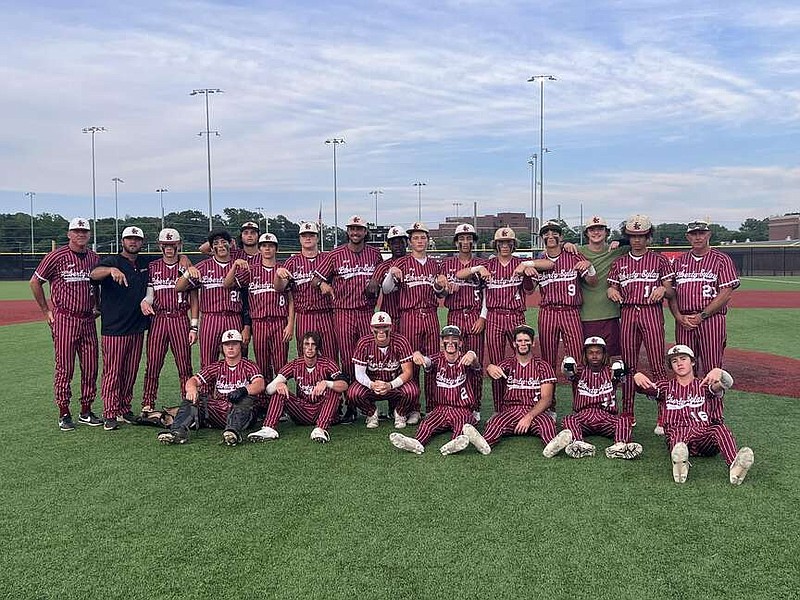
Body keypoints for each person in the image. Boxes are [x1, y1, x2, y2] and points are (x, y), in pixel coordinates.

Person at [633, 345, 754, 485]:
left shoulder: (704, 385)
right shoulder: (665, 387)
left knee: (720, 429)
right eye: (674, 361)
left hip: (704, 436)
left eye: (683, 359)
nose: (679, 363)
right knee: (677, 438)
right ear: (671, 366)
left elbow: (727, 383)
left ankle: (735, 466)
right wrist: (637, 376)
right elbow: (642, 388)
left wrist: (719, 371)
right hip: (679, 435)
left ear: (693, 362)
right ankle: (680, 466)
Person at [30, 217, 101, 431]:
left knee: (91, 366)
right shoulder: (56, 256)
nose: (81, 235)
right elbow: (35, 281)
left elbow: (96, 285)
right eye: (76, 231)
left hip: (88, 319)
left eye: (84, 231)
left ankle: (86, 410)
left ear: (89, 235)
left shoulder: (94, 258)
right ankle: (64, 412)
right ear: (69, 234)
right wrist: (46, 311)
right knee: (65, 368)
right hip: (65, 318)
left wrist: (97, 305)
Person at [455, 227, 536, 412]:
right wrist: (478, 267)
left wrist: (528, 269)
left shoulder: (520, 263)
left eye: (509, 243)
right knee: (497, 364)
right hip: (494, 317)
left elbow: (530, 290)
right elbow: (459, 275)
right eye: (501, 243)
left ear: (514, 245)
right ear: (496, 245)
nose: (505, 246)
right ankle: (500, 409)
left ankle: (525, 404)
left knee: (522, 360)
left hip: (516, 316)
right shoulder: (488, 265)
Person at [607, 214, 674, 432]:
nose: (637, 240)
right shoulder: (620, 262)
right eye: (633, 236)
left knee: (657, 364)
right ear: (628, 237)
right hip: (627, 312)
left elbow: (671, 290)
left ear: (648, 237)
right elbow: (612, 287)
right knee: (628, 365)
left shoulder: (660, 260)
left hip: (651, 313)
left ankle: (664, 414)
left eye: (642, 236)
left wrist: (664, 289)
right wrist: (611, 290)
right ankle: (628, 412)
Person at [312, 215, 382, 415]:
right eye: (352, 229)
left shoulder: (375, 254)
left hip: (366, 312)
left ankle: (370, 401)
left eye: (359, 229)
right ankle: (351, 404)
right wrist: (323, 283)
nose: (355, 232)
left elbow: (382, 274)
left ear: (365, 232)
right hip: (343, 312)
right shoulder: (336, 254)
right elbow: (314, 279)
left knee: (371, 357)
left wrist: (376, 282)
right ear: (348, 231)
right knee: (349, 359)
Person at [462, 325, 568, 457]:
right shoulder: (507, 364)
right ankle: (484, 444)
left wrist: (529, 417)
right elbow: (492, 370)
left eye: (526, 340)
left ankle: (552, 447)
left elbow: (546, 399)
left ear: (533, 342)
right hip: (511, 411)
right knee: (495, 423)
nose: (523, 344)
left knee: (547, 425)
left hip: (534, 411)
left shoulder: (543, 366)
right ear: (514, 343)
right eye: (519, 341)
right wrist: (490, 367)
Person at [157, 329, 265, 446]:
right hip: (219, 410)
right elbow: (193, 380)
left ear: (241, 346)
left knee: (246, 399)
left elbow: (260, 384)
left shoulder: (249, 366)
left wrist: (244, 390)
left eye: (234, 344)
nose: (230, 347)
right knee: (193, 398)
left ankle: (233, 432)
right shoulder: (217, 366)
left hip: (243, 413)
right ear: (222, 347)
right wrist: (192, 389)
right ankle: (177, 433)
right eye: (227, 344)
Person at [90, 226, 150, 430]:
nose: (133, 242)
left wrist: (185, 259)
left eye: (137, 239)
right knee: (113, 371)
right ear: (122, 241)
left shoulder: (144, 262)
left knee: (131, 371)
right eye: (129, 239)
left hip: (136, 326)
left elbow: (173, 260)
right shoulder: (112, 261)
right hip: (115, 327)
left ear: (142, 242)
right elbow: (94, 274)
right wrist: (110, 270)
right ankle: (110, 412)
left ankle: (124, 408)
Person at [390, 325, 483, 455]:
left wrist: (472, 354)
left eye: (454, 339)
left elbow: (477, 366)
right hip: (441, 408)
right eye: (446, 339)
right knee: (427, 424)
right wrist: (417, 354)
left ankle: (455, 443)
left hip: (462, 409)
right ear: (441, 342)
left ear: (461, 342)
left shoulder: (466, 358)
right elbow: (427, 362)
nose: (450, 342)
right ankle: (416, 442)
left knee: (462, 424)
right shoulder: (437, 359)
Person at [382, 222, 444, 418]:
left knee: (433, 361)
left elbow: (440, 294)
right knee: (411, 363)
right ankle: (414, 408)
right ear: (410, 241)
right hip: (409, 315)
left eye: (422, 237)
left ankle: (435, 407)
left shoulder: (435, 265)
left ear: (427, 240)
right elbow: (386, 289)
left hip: (431, 314)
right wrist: (391, 273)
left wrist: (441, 286)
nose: (419, 241)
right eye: (415, 238)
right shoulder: (400, 263)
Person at [668, 219, 740, 378]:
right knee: (684, 367)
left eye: (701, 233)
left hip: (711, 320)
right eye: (693, 234)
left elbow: (726, 293)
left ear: (709, 234)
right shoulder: (679, 261)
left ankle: (714, 403)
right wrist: (678, 316)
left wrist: (702, 316)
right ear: (688, 237)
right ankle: (689, 402)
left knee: (712, 367)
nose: (698, 237)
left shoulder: (721, 259)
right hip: (684, 321)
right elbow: (671, 293)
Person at [248, 331, 349, 444]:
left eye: (313, 344)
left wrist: (327, 383)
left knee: (333, 390)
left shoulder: (327, 363)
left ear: (318, 347)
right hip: (302, 411)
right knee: (279, 390)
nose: (309, 348)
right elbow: (268, 389)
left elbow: (344, 385)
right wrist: (279, 384)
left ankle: (320, 429)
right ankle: (269, 429)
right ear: (302, 346)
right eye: (306, 344)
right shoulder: (295, 364)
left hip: (323, 409)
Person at [551, 336, 641, 459]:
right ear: (585, 355)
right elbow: (568, 372)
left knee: (624, 420)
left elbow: (625, 376)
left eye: (598, 353)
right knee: (569, 419)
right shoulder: (579, 371)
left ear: (604, 354)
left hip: (606, 416)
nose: (594, 356)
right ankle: (579, 443)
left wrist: (622, 369)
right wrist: (567, 365)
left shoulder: (611, 371)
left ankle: (619, 446)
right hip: (584, 416)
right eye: (590, 353)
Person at [139, 228, 198, 413]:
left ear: (179, 245)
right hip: (159, 319)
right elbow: (150, 294)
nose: (169, 248)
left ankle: (187, 403)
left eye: (173, 245)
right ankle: (148, 403)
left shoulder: (187, 267)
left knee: (184, 364)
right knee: (154, 363)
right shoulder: (153, 266)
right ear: (160, 246)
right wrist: (145, 301)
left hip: (179, 318)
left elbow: (194, 298)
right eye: (166, 245)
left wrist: (194, 326)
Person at [176, 228, 250, 368]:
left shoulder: (239, 265)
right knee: (208, 362)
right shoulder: (203, 267)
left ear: (230, 244)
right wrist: (187, 273)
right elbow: (178, 288)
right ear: (211, 247)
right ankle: (206, 390)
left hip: (233, 316)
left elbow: (230, 286)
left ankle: (235, 389)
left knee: (238, 362)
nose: (221, 246)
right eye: (216, 243)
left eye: (224, 242)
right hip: (211, 318)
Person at [532, 220, 597, 371]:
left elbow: (592, 282)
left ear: (561, 236)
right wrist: (528, 272)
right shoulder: (539, 261)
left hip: (570, 311)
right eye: (546, 233)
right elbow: (529, 290)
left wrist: (590, 266)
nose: (550, 235)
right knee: (548, 359)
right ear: (542, 237)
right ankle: (549, 395)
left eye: (554, 232)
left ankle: (580, 394)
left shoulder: (573, 255)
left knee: (576, 357)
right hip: (548, 312)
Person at [437, 223, 486, 420]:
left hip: (475, 315)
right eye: (462, 239)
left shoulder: (483, 263)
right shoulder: (446, 264)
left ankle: (475, 406)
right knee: (452, 361)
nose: (465, 242)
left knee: (475, 362)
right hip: (455, 314)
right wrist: (442, 286)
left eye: (469, 238)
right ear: (456, 242)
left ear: (474, 241)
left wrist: (483, 316)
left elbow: (488, 293)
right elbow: (438, 292)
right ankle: (453, 402)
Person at [563, 216, 626, 357]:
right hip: (586, 313)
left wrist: (621, 241)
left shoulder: (616, 250)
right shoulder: (578, 251)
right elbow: (554, 251)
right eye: (592, 229)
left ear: (606, 232)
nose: (596, 233)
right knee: (589, 357)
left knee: (612, 356)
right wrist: (565, 244)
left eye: (600, 229)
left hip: (610, 312)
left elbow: (640, 241)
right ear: (586, 233)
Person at [346, 312, 420, 429]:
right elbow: (359, 373)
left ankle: (399, 413)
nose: (381, 331)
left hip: (393, 384)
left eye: (384, 327)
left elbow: (408, 372)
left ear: (390, 327)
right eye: (377, 327)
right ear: (371, 328)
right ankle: (371, 413)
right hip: (372, 386)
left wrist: (390, 385)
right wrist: (371, 385)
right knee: (353, 393)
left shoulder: (401, 341)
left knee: (413, 391)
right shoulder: (364, 343)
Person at [274, 221, 336, 358]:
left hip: (326, 314)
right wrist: (278, 275)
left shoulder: (328, 258)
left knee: (330, 354)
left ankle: (331, 380)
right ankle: (306, 380)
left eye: (311, 235)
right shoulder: (292, 262)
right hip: (304, 315)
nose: (308, 238)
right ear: (300, 238)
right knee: (306, 356)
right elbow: (280, 288)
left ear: (317, 238)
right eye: (304, 235)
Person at [247, 232, 294, 389]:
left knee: (281, 366)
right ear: (259, 249)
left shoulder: (283, 269)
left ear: (276, 249)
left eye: (271, 246)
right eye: (264, 246)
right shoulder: (251, 270)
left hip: (279, 321)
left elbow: (291, 299)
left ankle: (280, 403)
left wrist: (290, 323)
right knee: (262, 365)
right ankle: (264, 404)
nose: (267, 249)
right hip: (258, 322)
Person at [369, 225, 408, 326]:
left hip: (409, 314)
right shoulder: (383, 266)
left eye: (400, 242)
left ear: (406, 243)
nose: (397, 246)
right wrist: (373, 286)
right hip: (389, 314)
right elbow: (373, 288)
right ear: (389, 245)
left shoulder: (413, 263)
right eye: (394, 243)